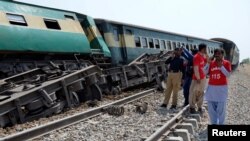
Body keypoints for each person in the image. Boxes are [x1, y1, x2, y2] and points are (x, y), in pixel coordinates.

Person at [204, 48, 231, 125]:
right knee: (211, 109)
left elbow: (228, 74)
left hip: (221, 89)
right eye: (216, 54)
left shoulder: (226, 63)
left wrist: (221, 67)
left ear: (222, 55)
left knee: (221, 109)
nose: (217, 55)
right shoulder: (211, 63)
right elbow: (204, 72)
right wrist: (208, 63)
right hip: (211, 89)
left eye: (219, 54)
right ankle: (214, 123)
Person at [189, 43, 208, 114]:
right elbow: (196, 68)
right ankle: (192, 107)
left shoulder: (202, 56)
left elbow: (208, 61)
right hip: (197, 78)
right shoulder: (196, 57)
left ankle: (200, 106)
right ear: (203, 49)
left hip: (203, 77)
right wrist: (198, 77)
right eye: (205, 49)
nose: (206, 50)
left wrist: (206, 54)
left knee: (201, 92)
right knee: (194, 92)